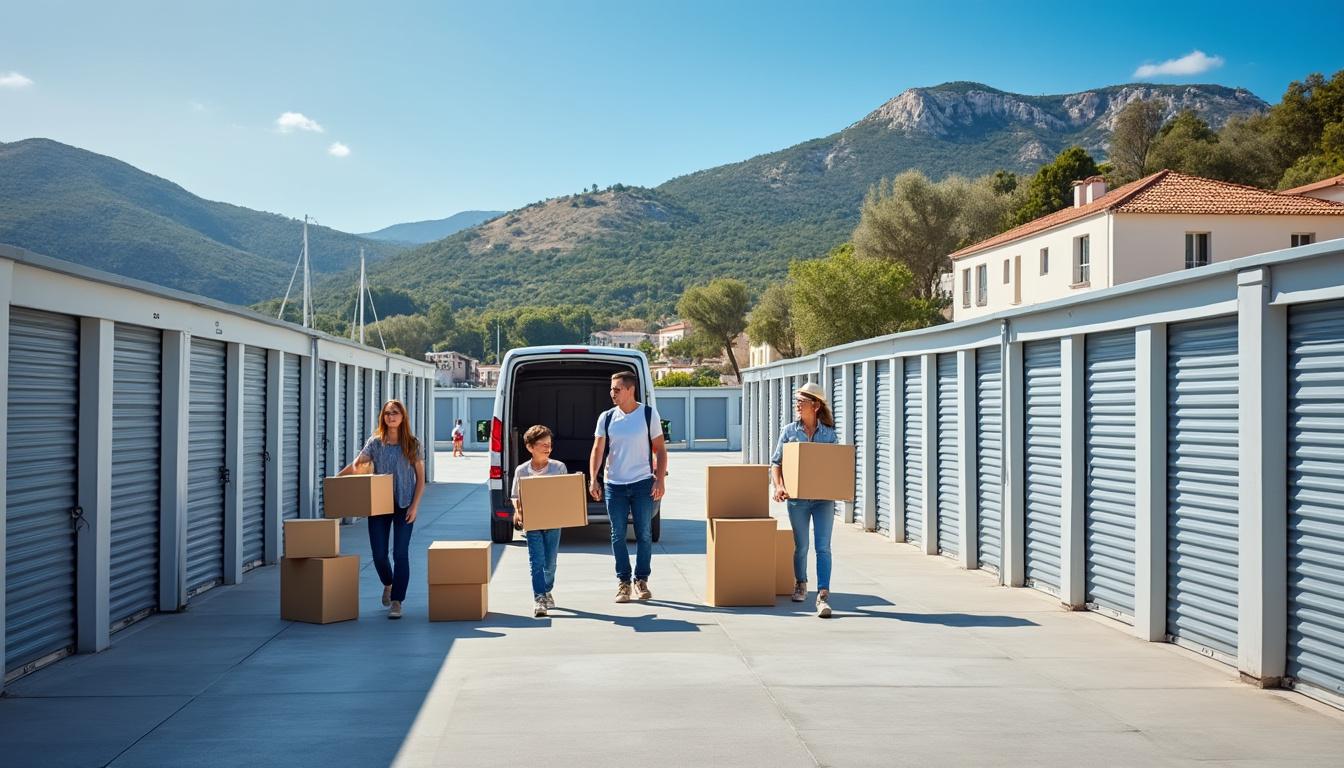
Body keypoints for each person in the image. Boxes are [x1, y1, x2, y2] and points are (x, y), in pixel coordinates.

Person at [339, 398, 425, 620]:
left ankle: (397, 601)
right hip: (378, 505)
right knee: (378, 555)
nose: (391, 416)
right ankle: (388, 582)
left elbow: (420, 478)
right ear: (383, 417)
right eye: (387, 413)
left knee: (400, 553)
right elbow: (358, 464)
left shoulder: (412, 444)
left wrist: (415, 506)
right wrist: (337, 479)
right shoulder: (376, 442)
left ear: (403, 416)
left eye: (395, 412)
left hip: (404, 504)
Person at [589, 371, 667, 603]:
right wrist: (594, 479)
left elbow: (660, 450)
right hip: (615, 485)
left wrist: (660, 479)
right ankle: (623, 582)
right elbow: (598, 450)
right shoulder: (607, 417)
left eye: (617, 389)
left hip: (643, 483)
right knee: (617, 534)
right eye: (611, 389)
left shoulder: (648, 414)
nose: (612, 393)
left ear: (631, 390)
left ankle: (641, 580)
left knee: (644, 533)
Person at [770, 382, 837, 618]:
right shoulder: (789, 431)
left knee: (823, 547)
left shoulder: (829, 434)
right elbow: (776, 463)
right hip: (797, 500)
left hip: (823, 500)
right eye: (797, 401)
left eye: (802, 401)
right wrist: (779, 486)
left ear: (816, 406)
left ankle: (823, 594)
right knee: (802, 546)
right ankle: (801, 583)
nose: (797, 405)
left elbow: (835, 466)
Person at [510, 425, 567, 618]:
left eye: (549, 444)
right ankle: (539, 597)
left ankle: (547, 589)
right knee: (536, 562)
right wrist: (518, 512)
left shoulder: (559, 467)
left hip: (554, 522)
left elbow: (565, 493)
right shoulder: (522, 470)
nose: (547, 448)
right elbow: (515, 496)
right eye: (543, 444)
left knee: (550, 563)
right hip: (532, 522)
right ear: (530, 447)